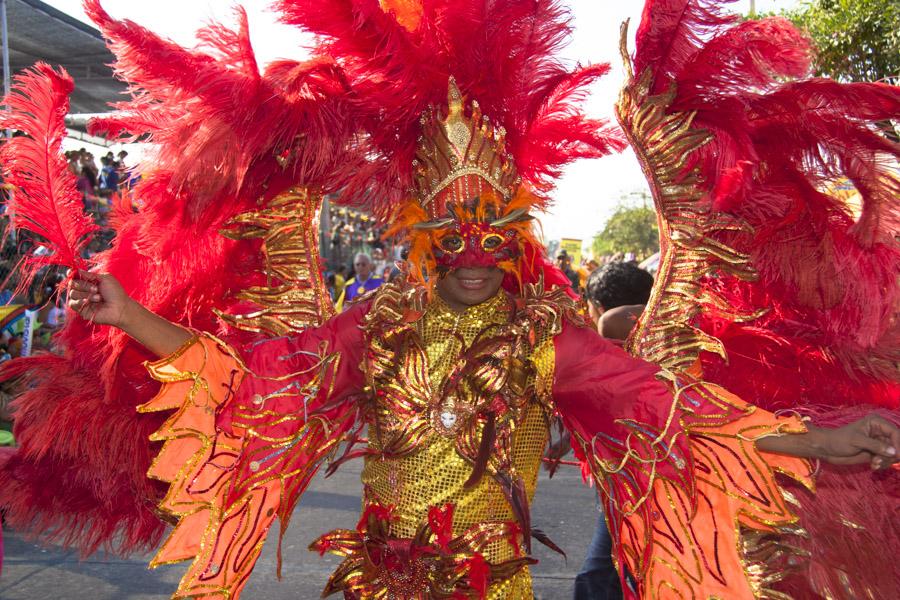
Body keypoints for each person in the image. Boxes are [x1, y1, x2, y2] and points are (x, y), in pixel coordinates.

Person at [4, 2, 899, 599]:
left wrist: (822, 440)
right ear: (428, 243)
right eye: (454, 238)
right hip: (380, 579)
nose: (474, 258)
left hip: (493, 581)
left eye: (491, 238)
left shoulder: (545, 337)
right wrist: (127, 316)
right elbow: (253, 376)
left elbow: (672, 414)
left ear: (513, 244)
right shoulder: (379, 325)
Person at [574, 261, 655, 600]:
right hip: (652, 472)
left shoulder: (610, 331)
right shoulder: (672, 332)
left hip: (632, 476)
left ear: (600, 308)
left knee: (602, 575)